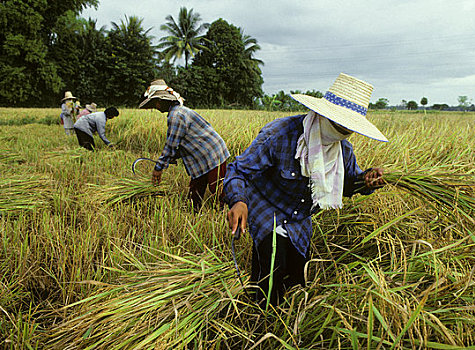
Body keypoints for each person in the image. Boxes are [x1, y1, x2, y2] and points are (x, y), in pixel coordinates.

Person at [224, 73, 388, 305]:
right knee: (271, 270)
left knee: (297, 277)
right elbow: (238, 170)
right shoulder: (280, 135)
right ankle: (261, 316)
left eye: (347, 127)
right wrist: (238, 201)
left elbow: (348, 185)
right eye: (337, 123)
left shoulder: (342, 151)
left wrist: (367, 181)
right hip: (267, 205)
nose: (341, 131)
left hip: (300, 217)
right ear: (323, 114)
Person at [138, 79, 230, 210]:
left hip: (212, 153)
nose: (156, 107)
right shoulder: (177, 112)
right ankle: (194, 210)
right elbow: (180, 143)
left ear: (163, 101)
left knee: (217, 189)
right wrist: (173, 157)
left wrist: (158, 168)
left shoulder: (176, 116)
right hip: (201, 155)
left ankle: (229, 211)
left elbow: (171, 145)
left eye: (156, 103)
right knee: (195, 190)